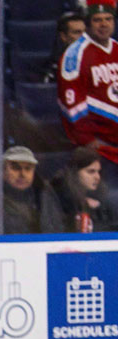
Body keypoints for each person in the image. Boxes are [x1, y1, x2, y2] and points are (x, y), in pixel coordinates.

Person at [58, 0, 118, 165]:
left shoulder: (116, 48)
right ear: (88, 23)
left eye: (108, 19)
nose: (104, 24)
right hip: (99, 147)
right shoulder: (75, 55)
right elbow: (71, 104)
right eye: (97, 20)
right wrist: (88, 140)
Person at [51, 146, 116, 232]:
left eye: (98, 172)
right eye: (91, 171)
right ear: (75, 173)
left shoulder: (102, 198)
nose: (97, 177)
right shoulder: (59, 197)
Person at [42, 11, 86, 82]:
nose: (84, 37)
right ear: (63, 36)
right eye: (77, 32)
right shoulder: (56, 66)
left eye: (85, 32)